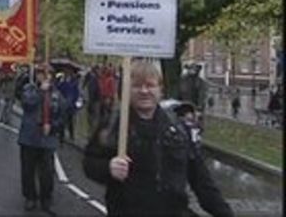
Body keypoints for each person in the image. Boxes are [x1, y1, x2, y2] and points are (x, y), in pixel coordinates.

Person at [83, 60, 233, 216]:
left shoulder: (178, 129)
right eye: (136, 86)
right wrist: (108, 168)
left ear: (160, 90)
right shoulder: (113, 125)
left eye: (150, 85)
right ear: (127, 90)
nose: (144, 91)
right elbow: (89, 163)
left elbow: (201, 180)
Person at [18, 66, 60, 214]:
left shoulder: (56, 93)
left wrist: (53, 125)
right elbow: (27, 103)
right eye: (41, 74)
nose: (44, 77)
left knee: (47, 172)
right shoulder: (30, 89)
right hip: (29, 137)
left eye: (48, 74)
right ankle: (30, 197)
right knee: (28, 170)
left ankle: (46, 198)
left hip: (47, 139)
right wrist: (41, 91)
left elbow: (62, 112)